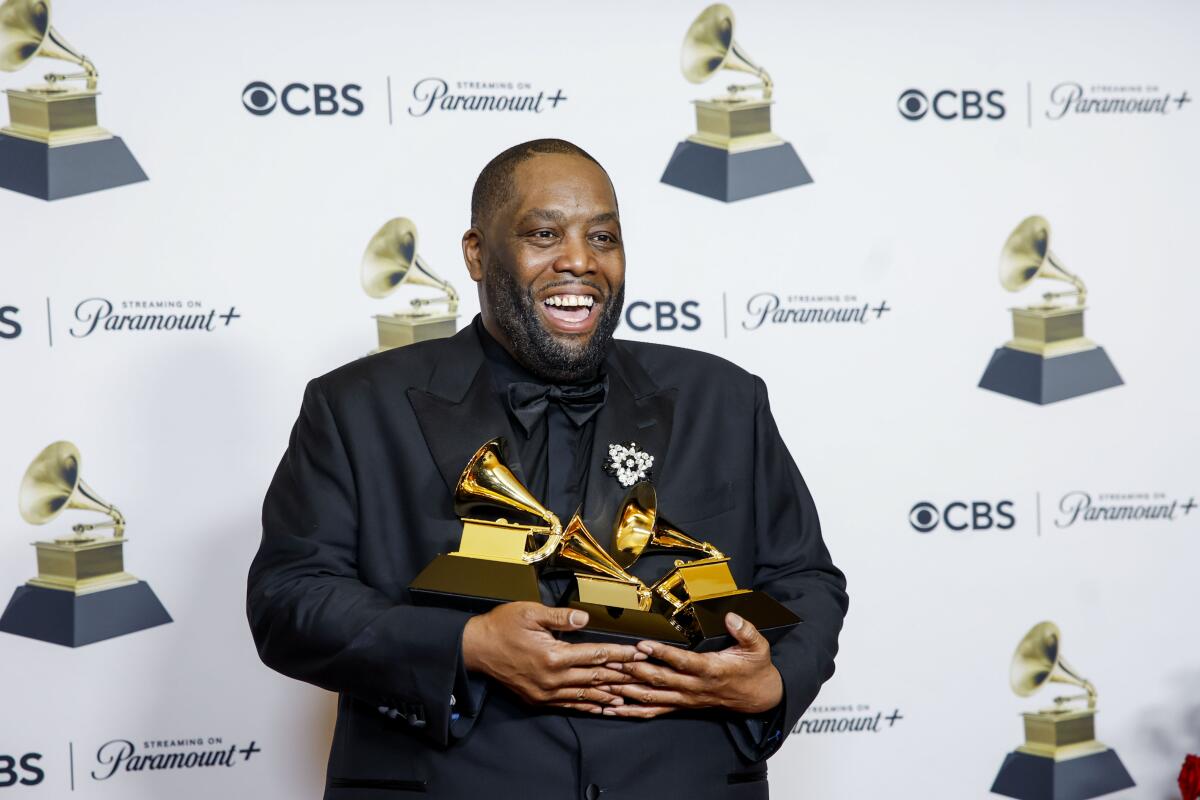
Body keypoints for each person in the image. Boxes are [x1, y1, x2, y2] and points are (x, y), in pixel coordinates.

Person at [247, 138, 848, 799]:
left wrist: (776, 680)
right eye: (544, 233)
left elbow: (805, 579)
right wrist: (468, 644)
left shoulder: (725, 398)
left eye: (603, 237)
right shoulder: (356, 406)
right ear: (476, 253)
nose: (579, 261)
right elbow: (289, 599)